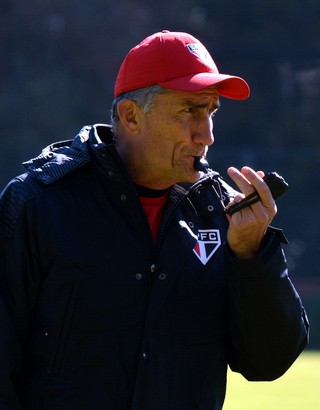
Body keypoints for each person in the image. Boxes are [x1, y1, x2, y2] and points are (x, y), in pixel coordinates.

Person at [0, 30, 309, 410]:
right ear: (131, 116)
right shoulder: (39, 202)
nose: (207, 135)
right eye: (189, 110)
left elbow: (269, 362)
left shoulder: (221, 215)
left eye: (211, 112)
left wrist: (252, 256)